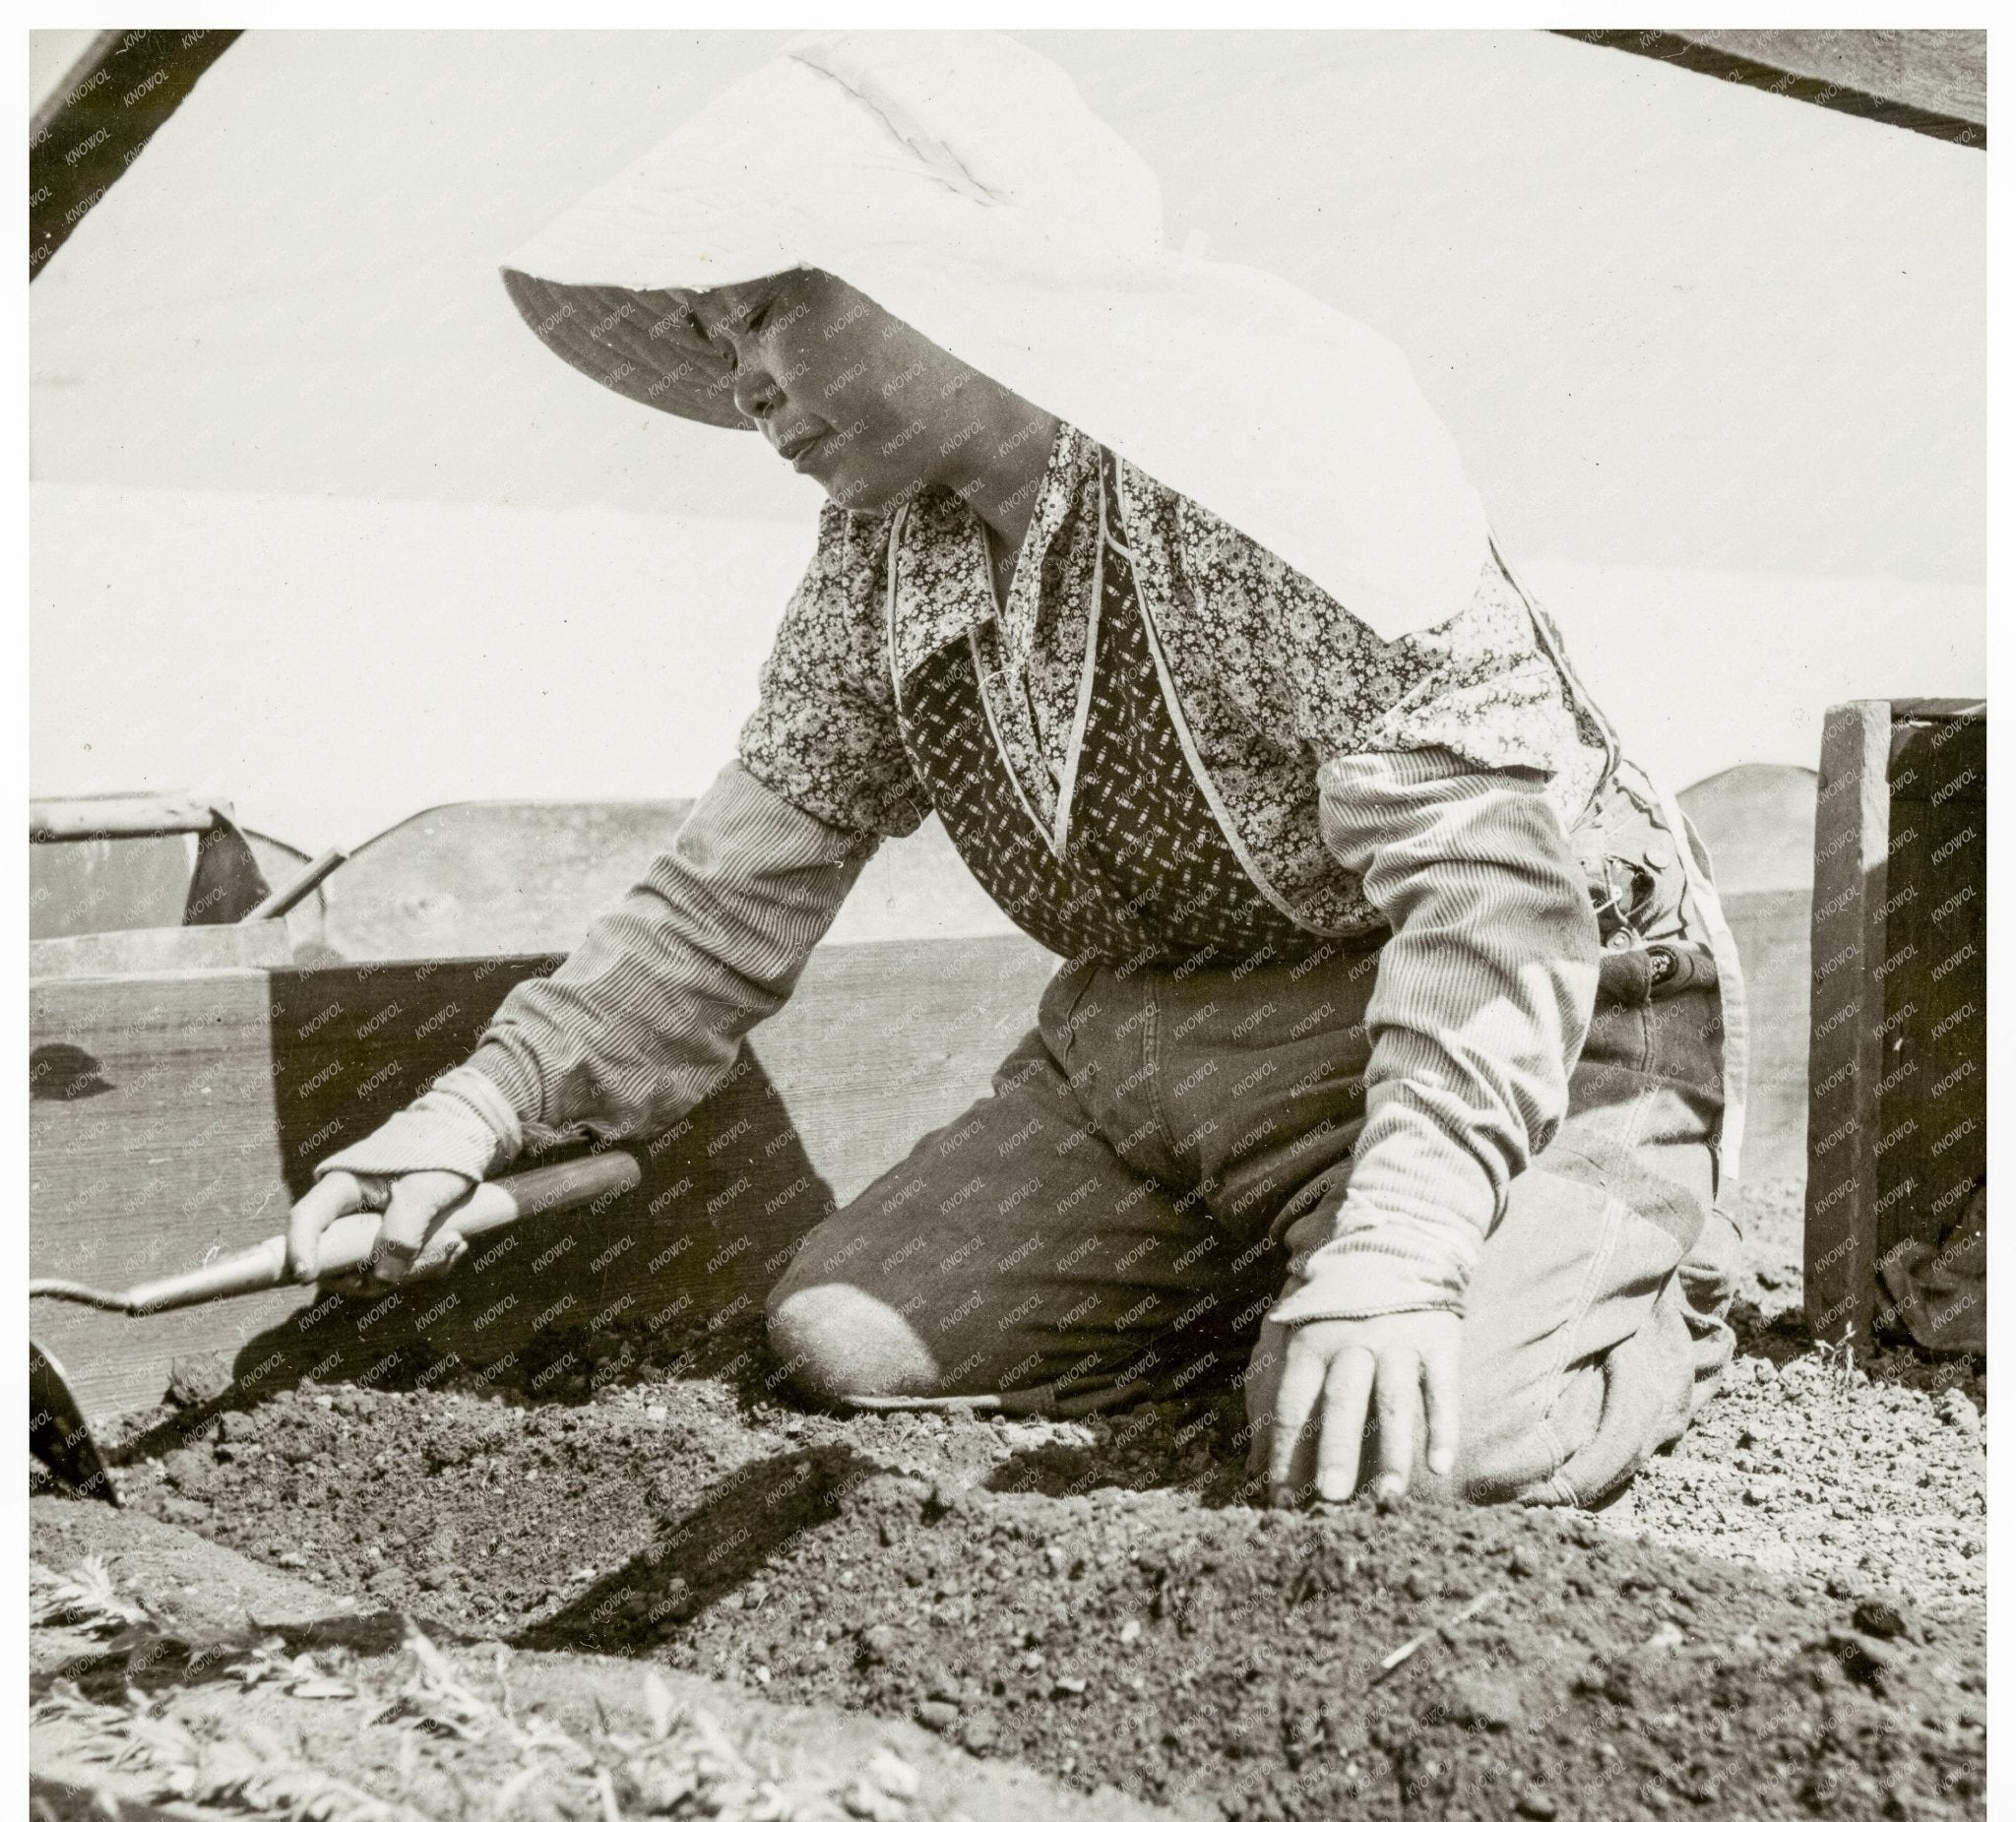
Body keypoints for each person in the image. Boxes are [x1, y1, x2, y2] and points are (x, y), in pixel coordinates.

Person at [288, 33, 1747, 1511]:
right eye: (713, 339)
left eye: (761, 316)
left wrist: (1399, 1254)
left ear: (938, 270)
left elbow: (1491, 899)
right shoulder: (883, 555)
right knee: (844, 1336)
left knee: (1434, 1452)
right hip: (1153, 1056)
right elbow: (722, 902)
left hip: (1527, 1034)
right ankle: (1285, 1280)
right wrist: (481, 1108)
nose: (742, 385)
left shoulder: (1266, 452)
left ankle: (1645, 1292)